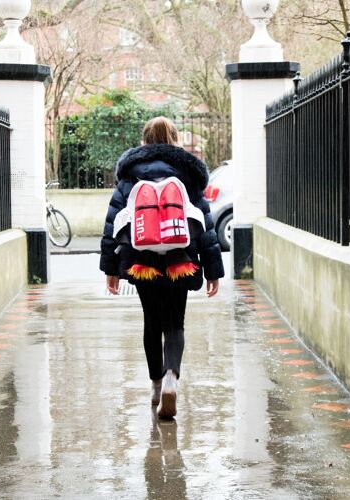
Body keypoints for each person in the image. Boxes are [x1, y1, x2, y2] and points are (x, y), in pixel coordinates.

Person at [100, 116, 225, 418]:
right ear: (174, 138)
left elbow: (114, 220)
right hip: (180, 260)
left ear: (145, 140)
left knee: (151, 322)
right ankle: (171, 377)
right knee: (175, 323)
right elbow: (206, 224)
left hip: (142, 261)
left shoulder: (130, 172)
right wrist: (213, 269)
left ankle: (156, 385)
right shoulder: (188, 171)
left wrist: (111, 268)